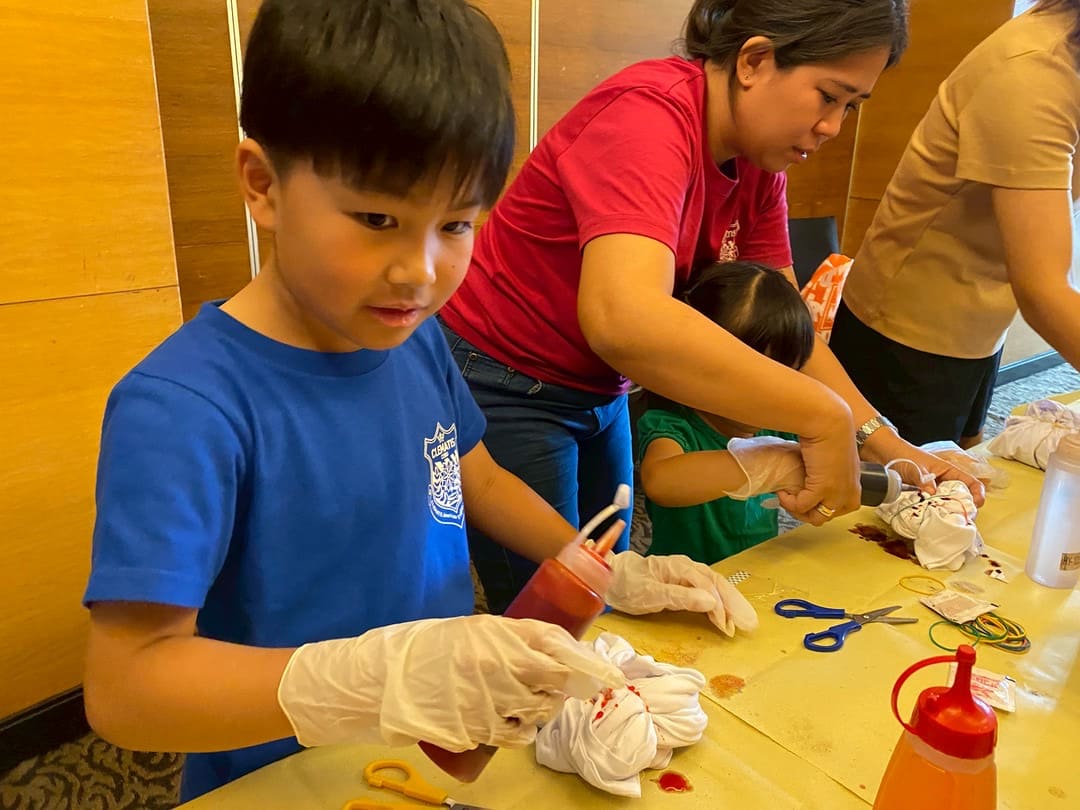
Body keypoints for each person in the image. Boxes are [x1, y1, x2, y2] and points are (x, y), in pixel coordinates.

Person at [80, 1, 757, 801]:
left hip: (432, 753)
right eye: (378, 219)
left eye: (457, 225)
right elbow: (126, 689)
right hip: (285, 776)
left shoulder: (413, 339)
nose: (421, 272)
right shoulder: (184, 408)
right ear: (263, 185)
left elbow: (479, 479)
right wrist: (371, 679)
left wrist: (605, 572)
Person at [439, 0, 983, 613]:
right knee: (558, 600)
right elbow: (624, 318)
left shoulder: (757, 163)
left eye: (851, 106)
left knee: (611, 566)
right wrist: (820, 415)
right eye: (829, 96)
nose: (833, 127)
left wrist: (886, 442)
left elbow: (789, 333)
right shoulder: (647, 117)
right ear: (754, 61)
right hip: (505, 377)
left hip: (599, 386)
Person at [831, 0, 1080, 448]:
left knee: (969, 461)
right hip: (914, 324)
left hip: (986, 307)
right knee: (909, 480)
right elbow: (1044, 289)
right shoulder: (1032, 71)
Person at [638, 261, 813, 565]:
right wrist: (771, 463)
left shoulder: (777, 426)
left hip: (753, 572)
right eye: (758, 378)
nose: (774, 394)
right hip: (682, 581)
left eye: (787, 377)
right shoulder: (674, 426)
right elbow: (661, 482)